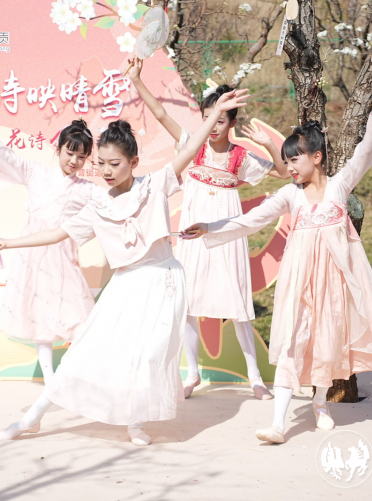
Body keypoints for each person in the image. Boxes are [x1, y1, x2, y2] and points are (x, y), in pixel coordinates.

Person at [0, 90, 251, 446]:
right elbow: (56, 234)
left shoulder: (154, 185)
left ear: (134, 162)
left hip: (163, 282)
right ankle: (32, 418)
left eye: (115, 164)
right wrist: (7, 242)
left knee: (147, 357)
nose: (106, 171)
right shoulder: (98, 206)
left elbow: (189, 150)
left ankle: (134, 422)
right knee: (85, 353)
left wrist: (215, 112)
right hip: (124, 286)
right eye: (101, 164)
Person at [184, 79, 372, 443]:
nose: (290, 167)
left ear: (316, 157)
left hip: (333, 284)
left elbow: (364, 154)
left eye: (294, 159)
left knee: (327, 341)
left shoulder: (339, 186)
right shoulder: (290, 195)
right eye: (286, 161)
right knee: (291, 343)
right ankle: (278, 424)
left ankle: (320, 402)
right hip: (298, 283)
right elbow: (250, 220)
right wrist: (209, 227)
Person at [129, 56, 291, 399]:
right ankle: (193, 374)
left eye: (219, 119)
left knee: (238, 304)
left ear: (231, 121)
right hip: (193, 236)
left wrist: (268, 143)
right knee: (189, 303)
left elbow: (282, 173)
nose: (212, 125)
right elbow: (161, 114)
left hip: (227, 236)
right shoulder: (193, 147)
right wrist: (137, 80)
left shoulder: (240, 158)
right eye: (207, 118)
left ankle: (255, 378)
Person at [0, 110, 105, 385]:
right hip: (32, 256)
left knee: (82, 318)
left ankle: (73, 372)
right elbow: (5, 156)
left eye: (82, 157)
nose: (74, 161)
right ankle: (50, 378)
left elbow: (116, 202)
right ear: (58, 149)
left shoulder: (87, 189)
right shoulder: (36, 172)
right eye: (70, 153)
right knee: (39, 318)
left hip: (64, 257)